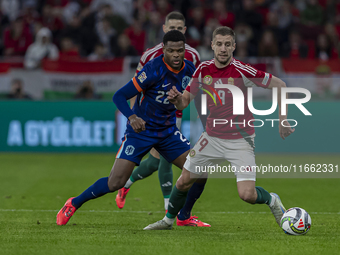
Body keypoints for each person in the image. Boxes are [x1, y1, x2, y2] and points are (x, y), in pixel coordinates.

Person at [144, 26, 294, 230]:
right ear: (212, 45)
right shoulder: (203, 69)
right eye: (219, 44)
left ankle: (272, 200)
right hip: (212, 138)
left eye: (227, 44)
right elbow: (184, 102)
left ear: (234, 46)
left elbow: (280, 84)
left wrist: (282, 119)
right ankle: (168, 221)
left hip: (241, 139)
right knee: (183, 182)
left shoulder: (242, 70)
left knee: (247, 195)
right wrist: (177, 100)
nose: (223, 49)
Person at [56, 30, 208, 227]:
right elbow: (119, 96)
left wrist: (180, 101)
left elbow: (184, 103)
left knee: (200, 171)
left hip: (168, 132)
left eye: (180, 50)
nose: (176, 55)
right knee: (115, 182)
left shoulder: (190, 70)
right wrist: (132, 116)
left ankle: (184, 216)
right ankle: (73, 203)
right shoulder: (153, 69)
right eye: (171, 51)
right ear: (164, 50)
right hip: (141, 132)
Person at [115, 11, 210, 227]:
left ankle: (127, 184)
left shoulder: (192, 56)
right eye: (171, 27)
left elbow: (194, 86)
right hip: (152, 116)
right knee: (163, 160)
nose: (175, 30)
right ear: (164, 29)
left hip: (177, 111)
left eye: (179, 27)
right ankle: (172, 211)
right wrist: (133, 116)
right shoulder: (150, 55)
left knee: (156, 161)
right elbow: (136, 86)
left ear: (184, 31)